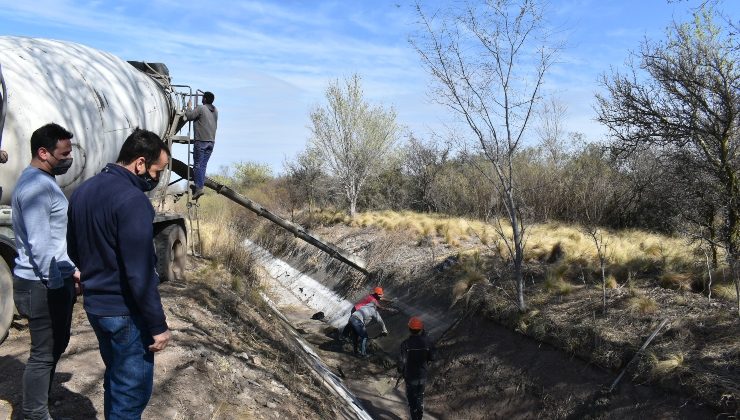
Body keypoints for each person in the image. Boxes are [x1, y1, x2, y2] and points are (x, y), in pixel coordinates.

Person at [67, 128, 172, 419]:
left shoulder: (83, 191)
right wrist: (157, 325)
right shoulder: (133, 200)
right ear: (140, 163)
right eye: (156, 171)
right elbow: (139, 273)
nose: (156, 178)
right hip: (125, 312)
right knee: (131, 394)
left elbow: (73, 249)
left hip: (97, 308)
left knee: (117, 379)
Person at [11, 123, 80, 420]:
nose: (69, 158)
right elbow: (40, 245)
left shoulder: (40, 180)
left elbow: (53, 241)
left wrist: (71, 269)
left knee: (54, 346)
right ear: (43, 152)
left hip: (50, 277)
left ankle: (39, 405)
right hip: (41, 284)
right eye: (64, 153)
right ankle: (34, 413)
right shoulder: (37, 187)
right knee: (43, 353)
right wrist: (56, 285)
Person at [397, 316, 436, 420]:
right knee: (420, 397)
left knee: (412, 399)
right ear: (421, 329)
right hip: (423, 375)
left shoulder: (405, 344)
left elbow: (401, 362)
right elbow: (433, 357)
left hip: (410, 377)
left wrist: (400, 370)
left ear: (409, 329)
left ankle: (415, 418)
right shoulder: (428, 342)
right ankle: (419, 417)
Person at [183, 91, 218, 200]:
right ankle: (199, 185)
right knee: (203, 165)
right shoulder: (215, 110)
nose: (202, 99)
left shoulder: (201, 108)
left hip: (201, 141)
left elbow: (189, 116)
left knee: (197, 164)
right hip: (211, 142)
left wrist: (189, 107)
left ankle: (199, 188)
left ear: (205, 99)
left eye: (203, 98)